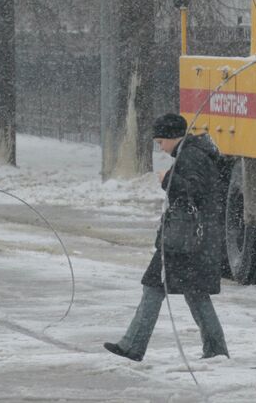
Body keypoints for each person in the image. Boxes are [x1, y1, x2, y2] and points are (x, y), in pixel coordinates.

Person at [104, 113, 229, 362]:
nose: (160, 147)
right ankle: (215, 350)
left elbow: (194, 190)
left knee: (153, 286)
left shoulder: (190, 155)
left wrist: (168, 179)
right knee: (196, 292)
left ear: (173, 136)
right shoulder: (195, 152)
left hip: (183, 240)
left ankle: (132, 346)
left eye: (161, 141)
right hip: (197, 240)